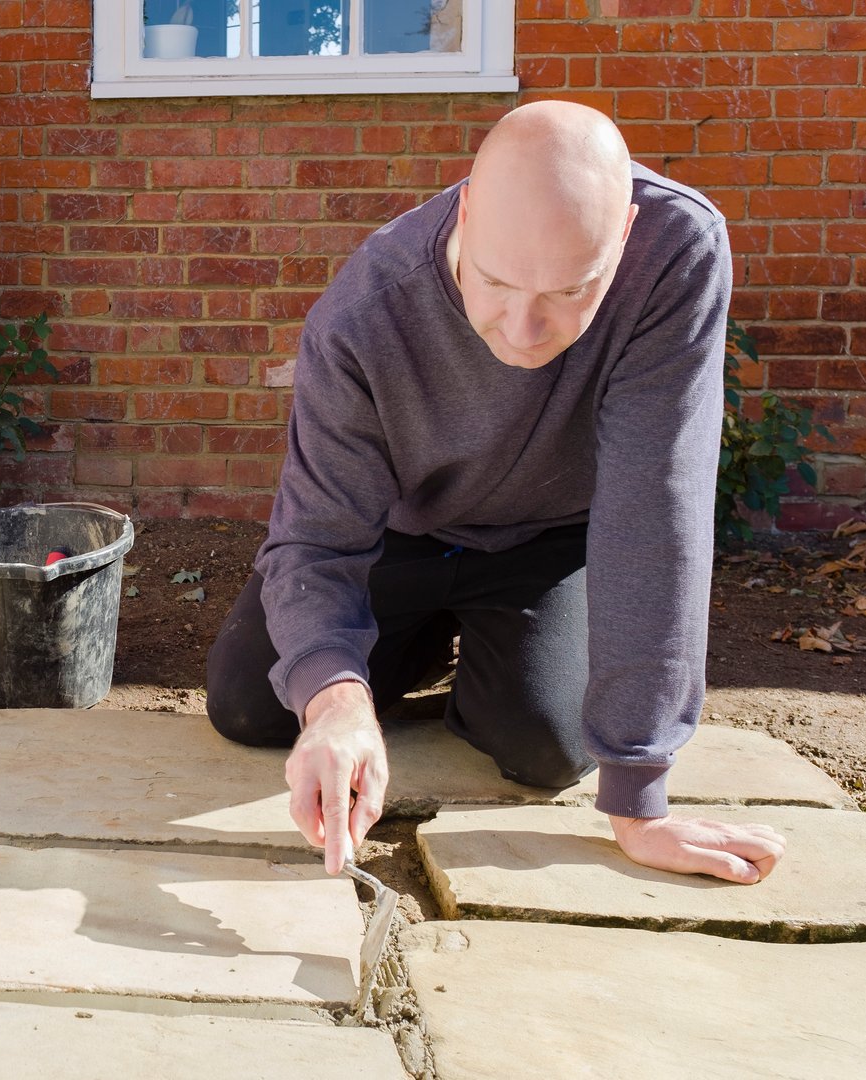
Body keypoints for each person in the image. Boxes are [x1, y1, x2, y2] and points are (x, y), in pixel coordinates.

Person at [205, 101, 786, 886]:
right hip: (400, 535)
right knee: (254, 703)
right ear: (465, 212)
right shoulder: (365, 312)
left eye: (569, 292)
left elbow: (654, 505)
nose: (521, 328)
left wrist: (639, 797)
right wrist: (335, 703)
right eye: (496, 281)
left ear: (621, 238)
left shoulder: (673, 250)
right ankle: (405, 662)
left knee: (547, 745)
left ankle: (486, 666)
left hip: (550, 539)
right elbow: (316, 537)